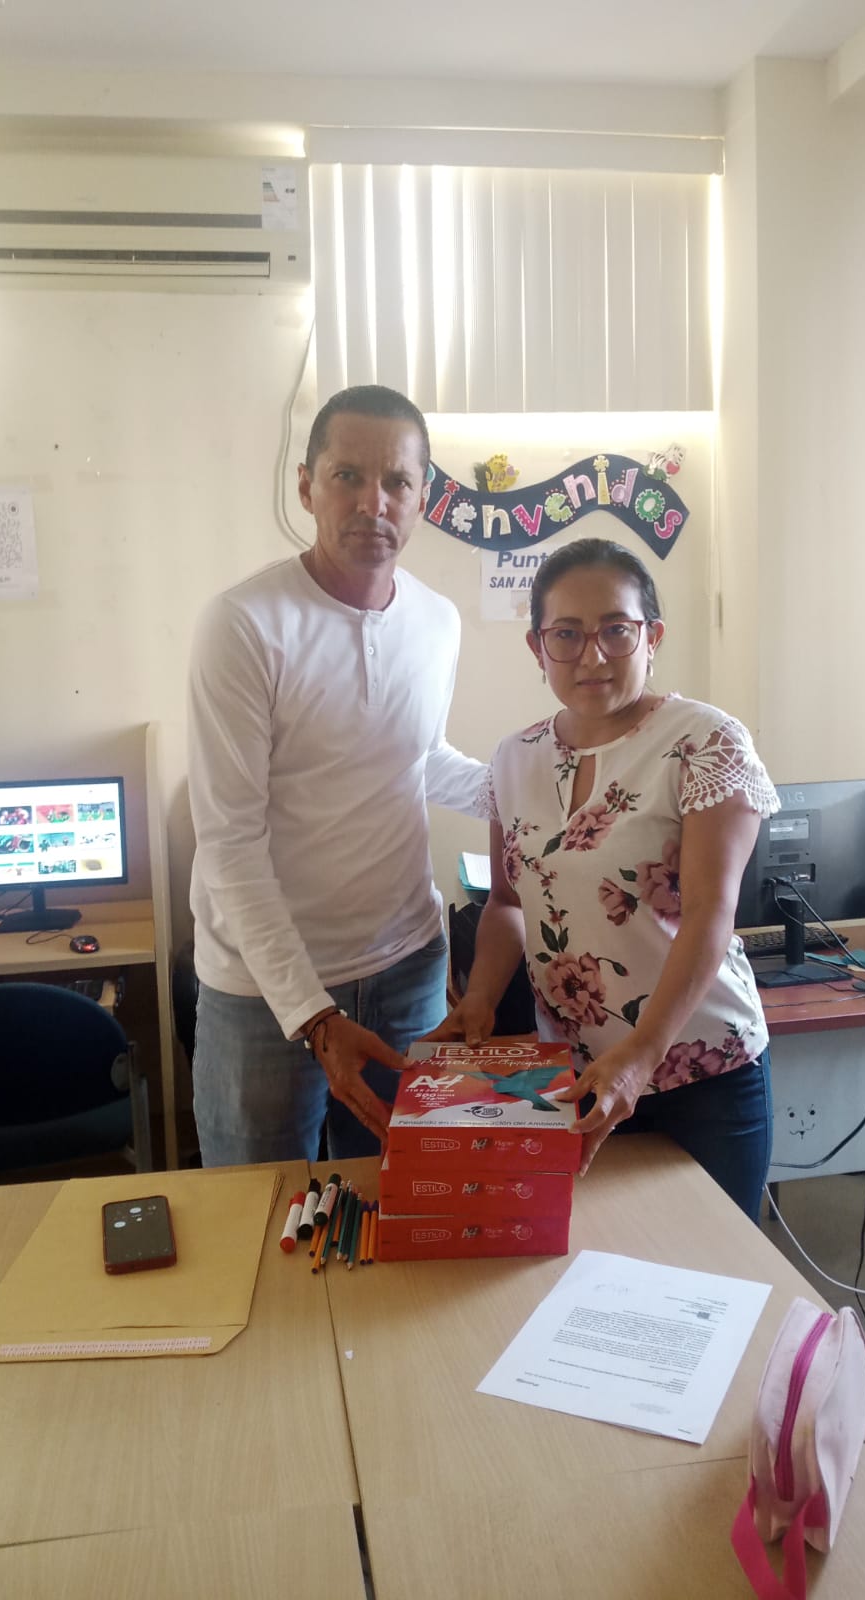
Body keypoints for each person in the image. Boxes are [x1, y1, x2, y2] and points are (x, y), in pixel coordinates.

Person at [429, 537, 780, 1217]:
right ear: (538, 648)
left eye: (616, 630)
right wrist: (479, 999)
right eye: (566, 634)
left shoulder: (705, 742)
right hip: (580, 1071)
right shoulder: (515, 757)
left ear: (652, 637)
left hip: (702, 1069)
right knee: (601, 1261)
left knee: (713, 1266)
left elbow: (710, 912)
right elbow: (506, 902)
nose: (592, 656)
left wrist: (643, 1053)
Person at [187, 385, 489, 1167]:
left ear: (424, 496)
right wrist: (313, 1015)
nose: (372, 503)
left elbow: (418, 759)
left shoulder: (437, 620)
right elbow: (228, 840)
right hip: (265, 994)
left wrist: (549, 786)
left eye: (396, 482)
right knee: (257, 1214)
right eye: (347, 476)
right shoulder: (243, 625)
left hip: (406, 968)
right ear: (306, 487)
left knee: (405, 1196)